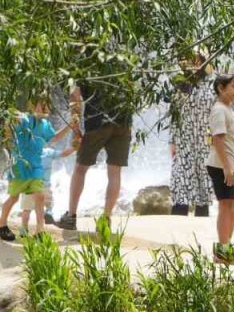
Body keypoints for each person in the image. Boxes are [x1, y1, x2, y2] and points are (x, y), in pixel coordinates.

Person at [57, 77, 135, 230]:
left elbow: (74, 96)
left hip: (97, 121)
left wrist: (75, 127)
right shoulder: (122, 56)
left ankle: (71, 217)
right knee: (114, 171)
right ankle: (106, 219)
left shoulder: (85, 60)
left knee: (80, 168)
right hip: (123, 121)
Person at [1, 97, 70, 240]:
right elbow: (12, 125)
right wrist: (12, 116)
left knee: (40, 197)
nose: (44, 108)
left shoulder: (45, 125)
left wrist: (69, 126)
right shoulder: (25, 119)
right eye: (41, 105)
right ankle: (2, 225)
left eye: (47, 106)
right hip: (20, 166)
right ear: (33, 106)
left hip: (36, 167)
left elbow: (54, 138)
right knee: (13, 198)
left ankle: (40, 230)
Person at [168, 52, 217, 217]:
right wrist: (172, 141)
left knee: (204, 178)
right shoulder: (181, 85)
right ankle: (177, 223)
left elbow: (217, 114)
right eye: (191, 61)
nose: (194, 64)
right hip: (184, 139)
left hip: (205, 140)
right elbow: (173, 114)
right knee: (181, 176)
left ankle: (201, 223)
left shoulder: (212, 85)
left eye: (198, 61)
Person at [206, 74, 234, 264]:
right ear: (221, 88)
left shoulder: (227, 109)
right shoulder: (219, 110)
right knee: (226, 204)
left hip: (230, 165)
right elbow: (218, 140)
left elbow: (231, 142)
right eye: (233, 87)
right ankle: (222, 252)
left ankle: (226, 245)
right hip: (221, 165)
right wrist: (227, 167)